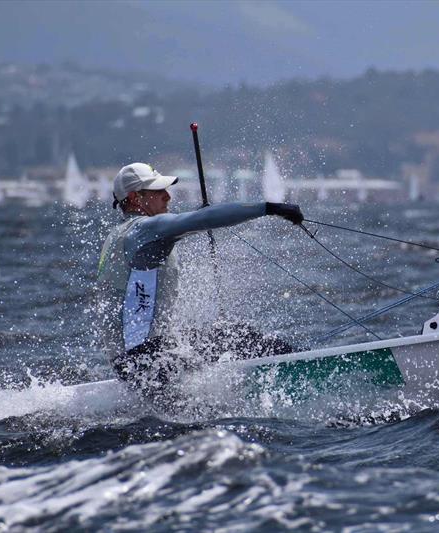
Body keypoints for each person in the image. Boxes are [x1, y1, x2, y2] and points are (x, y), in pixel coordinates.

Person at [96, 162, 303, 402]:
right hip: (149, 362)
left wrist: (198, 217)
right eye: (157, 191)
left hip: (131, 364)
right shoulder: (143, 230)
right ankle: (304, 369)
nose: (167, 196)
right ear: (134, 198)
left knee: (225, 335)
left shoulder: (119, 235)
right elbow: (197, 221)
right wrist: (270, 208)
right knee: (238, 337)